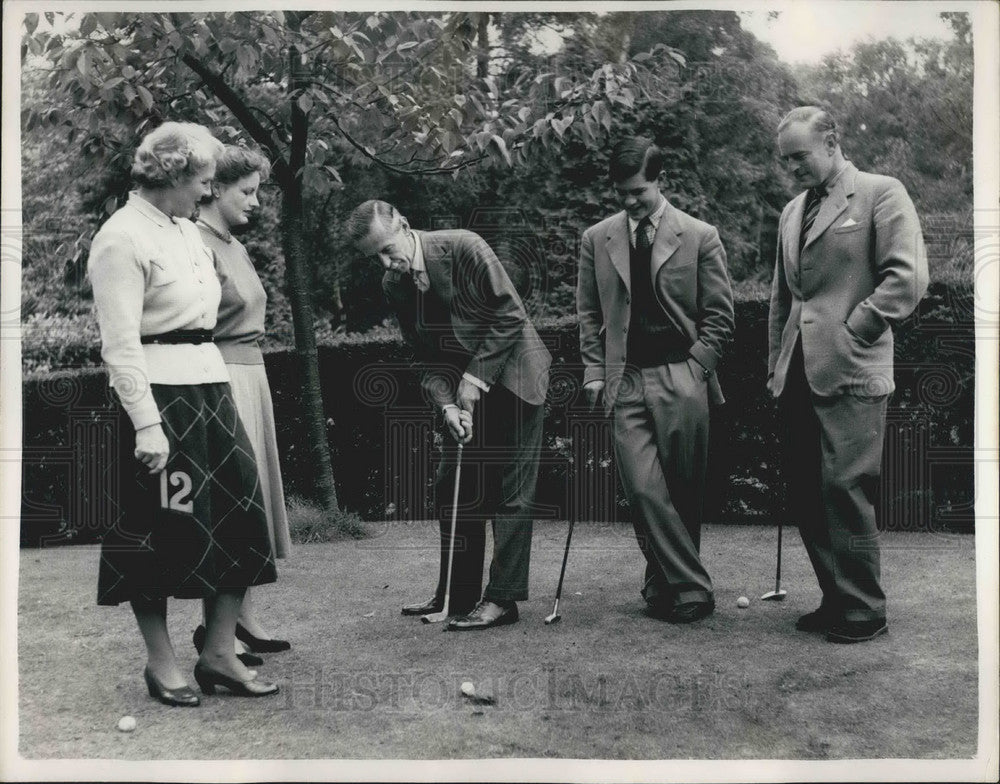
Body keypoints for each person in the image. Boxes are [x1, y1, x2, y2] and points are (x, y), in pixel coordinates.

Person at [91, 122, 279, 703]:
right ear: (173, 175)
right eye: (203, 180)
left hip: (211, 390)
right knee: (160, 527)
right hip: (159, 401)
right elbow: (119, 344)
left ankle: (219, 652)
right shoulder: (121, 238)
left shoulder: (187, 232)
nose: (208, 191)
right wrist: (146, 423)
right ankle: (162, 663)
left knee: (242, 517)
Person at [346, 200, 551, 630]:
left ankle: (502, 600)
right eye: (374, 257)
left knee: (511, 492)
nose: (385, 263)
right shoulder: (395, 284)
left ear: (405, 225)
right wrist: (448, 406)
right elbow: (424, 357)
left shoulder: (464, 247)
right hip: (462, 391)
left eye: (387, 249)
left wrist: (474, 380)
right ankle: (458, 595)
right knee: (453, 485)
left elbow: (510, 314)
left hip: (516, 378)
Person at [768, 106, 928, 643]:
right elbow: (783, 298)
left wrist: (858, 327)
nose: (792, 168)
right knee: (806, 490)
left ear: (832, 142)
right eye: (785, 160)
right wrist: (775, 364)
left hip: (854, 367)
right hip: (797, 370)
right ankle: (836, 597)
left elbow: (908, 277)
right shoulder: (792, 211)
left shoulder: (881, 192)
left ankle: (864, 610)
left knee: (846, 487)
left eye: (800, 156)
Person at [577, 137, 734, 624]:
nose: (629, 201)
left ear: (659, 181)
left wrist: (697, 367)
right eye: (621, 192)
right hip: (624, 380)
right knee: (643, 490)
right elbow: (588, 313)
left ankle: (662, 584)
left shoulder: (700, 235)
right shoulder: (596, 239)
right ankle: (693, 588)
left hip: (682, 376)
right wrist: (595, 372)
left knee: (681, 493)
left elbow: (720, 316)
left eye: (638, 191)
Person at [194, 144, 291, 655]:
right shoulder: (196, 242)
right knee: (231, 498)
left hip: (251, 373)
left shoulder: (235, 245)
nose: (256, 202)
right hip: (222, 375)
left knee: (250, 498)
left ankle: (243, 618)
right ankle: (216, 629)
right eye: (247, 192)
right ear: (215, 188)